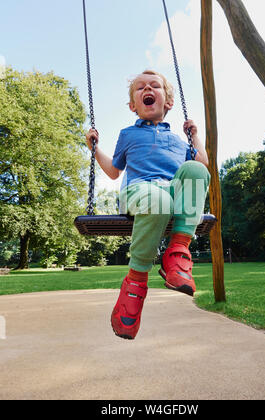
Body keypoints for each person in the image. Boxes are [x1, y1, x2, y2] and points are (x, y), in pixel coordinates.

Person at [86, 70, 210, 340]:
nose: (147, 89)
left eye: (154, 86)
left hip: (170, 193)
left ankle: (177, 254)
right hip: (138, 191)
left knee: (195, 172)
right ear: (133, 105)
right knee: (158, 199)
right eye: (140, 88)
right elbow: (114, 171)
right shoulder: (128, 134)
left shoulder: (179, 141)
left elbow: (203, 165)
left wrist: (194, 134)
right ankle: (136, 282)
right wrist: (94, 148)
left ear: (168, 102)